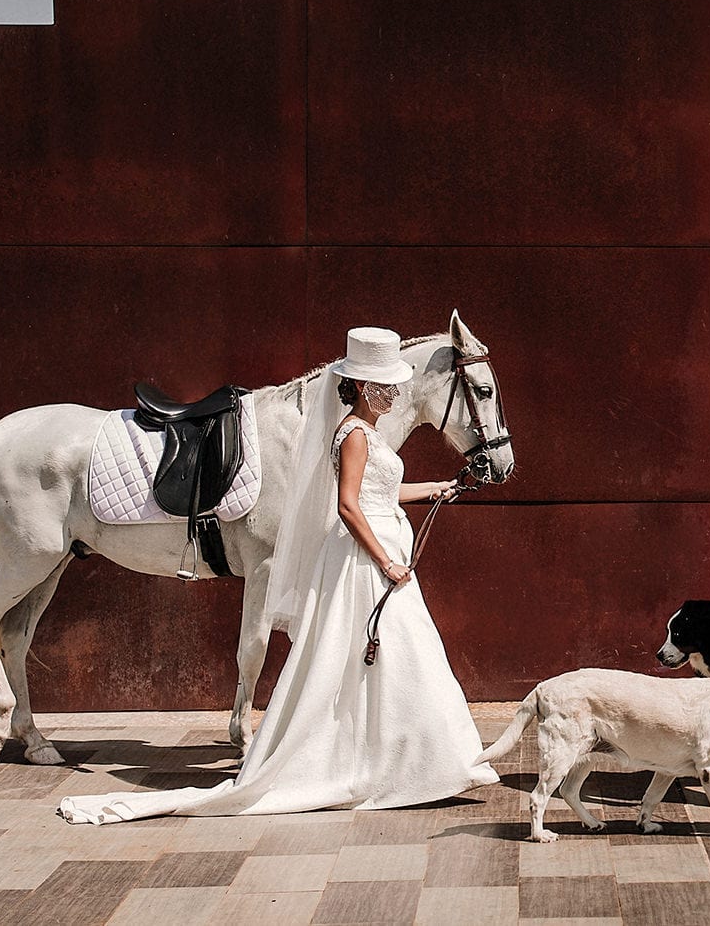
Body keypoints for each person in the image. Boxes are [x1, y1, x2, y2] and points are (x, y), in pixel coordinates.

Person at [58, 326, 498, 823]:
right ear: (368, 388)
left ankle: (409, 757)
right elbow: (349, 508)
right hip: (368, 557)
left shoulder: (367, 434)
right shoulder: (354, 436)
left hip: (379, 551)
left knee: (395, 652)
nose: (397, 393)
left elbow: (380, 492)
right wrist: (385, 560)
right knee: (388, 648)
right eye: (388, 385)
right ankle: (409, 760)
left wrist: (436, 487)